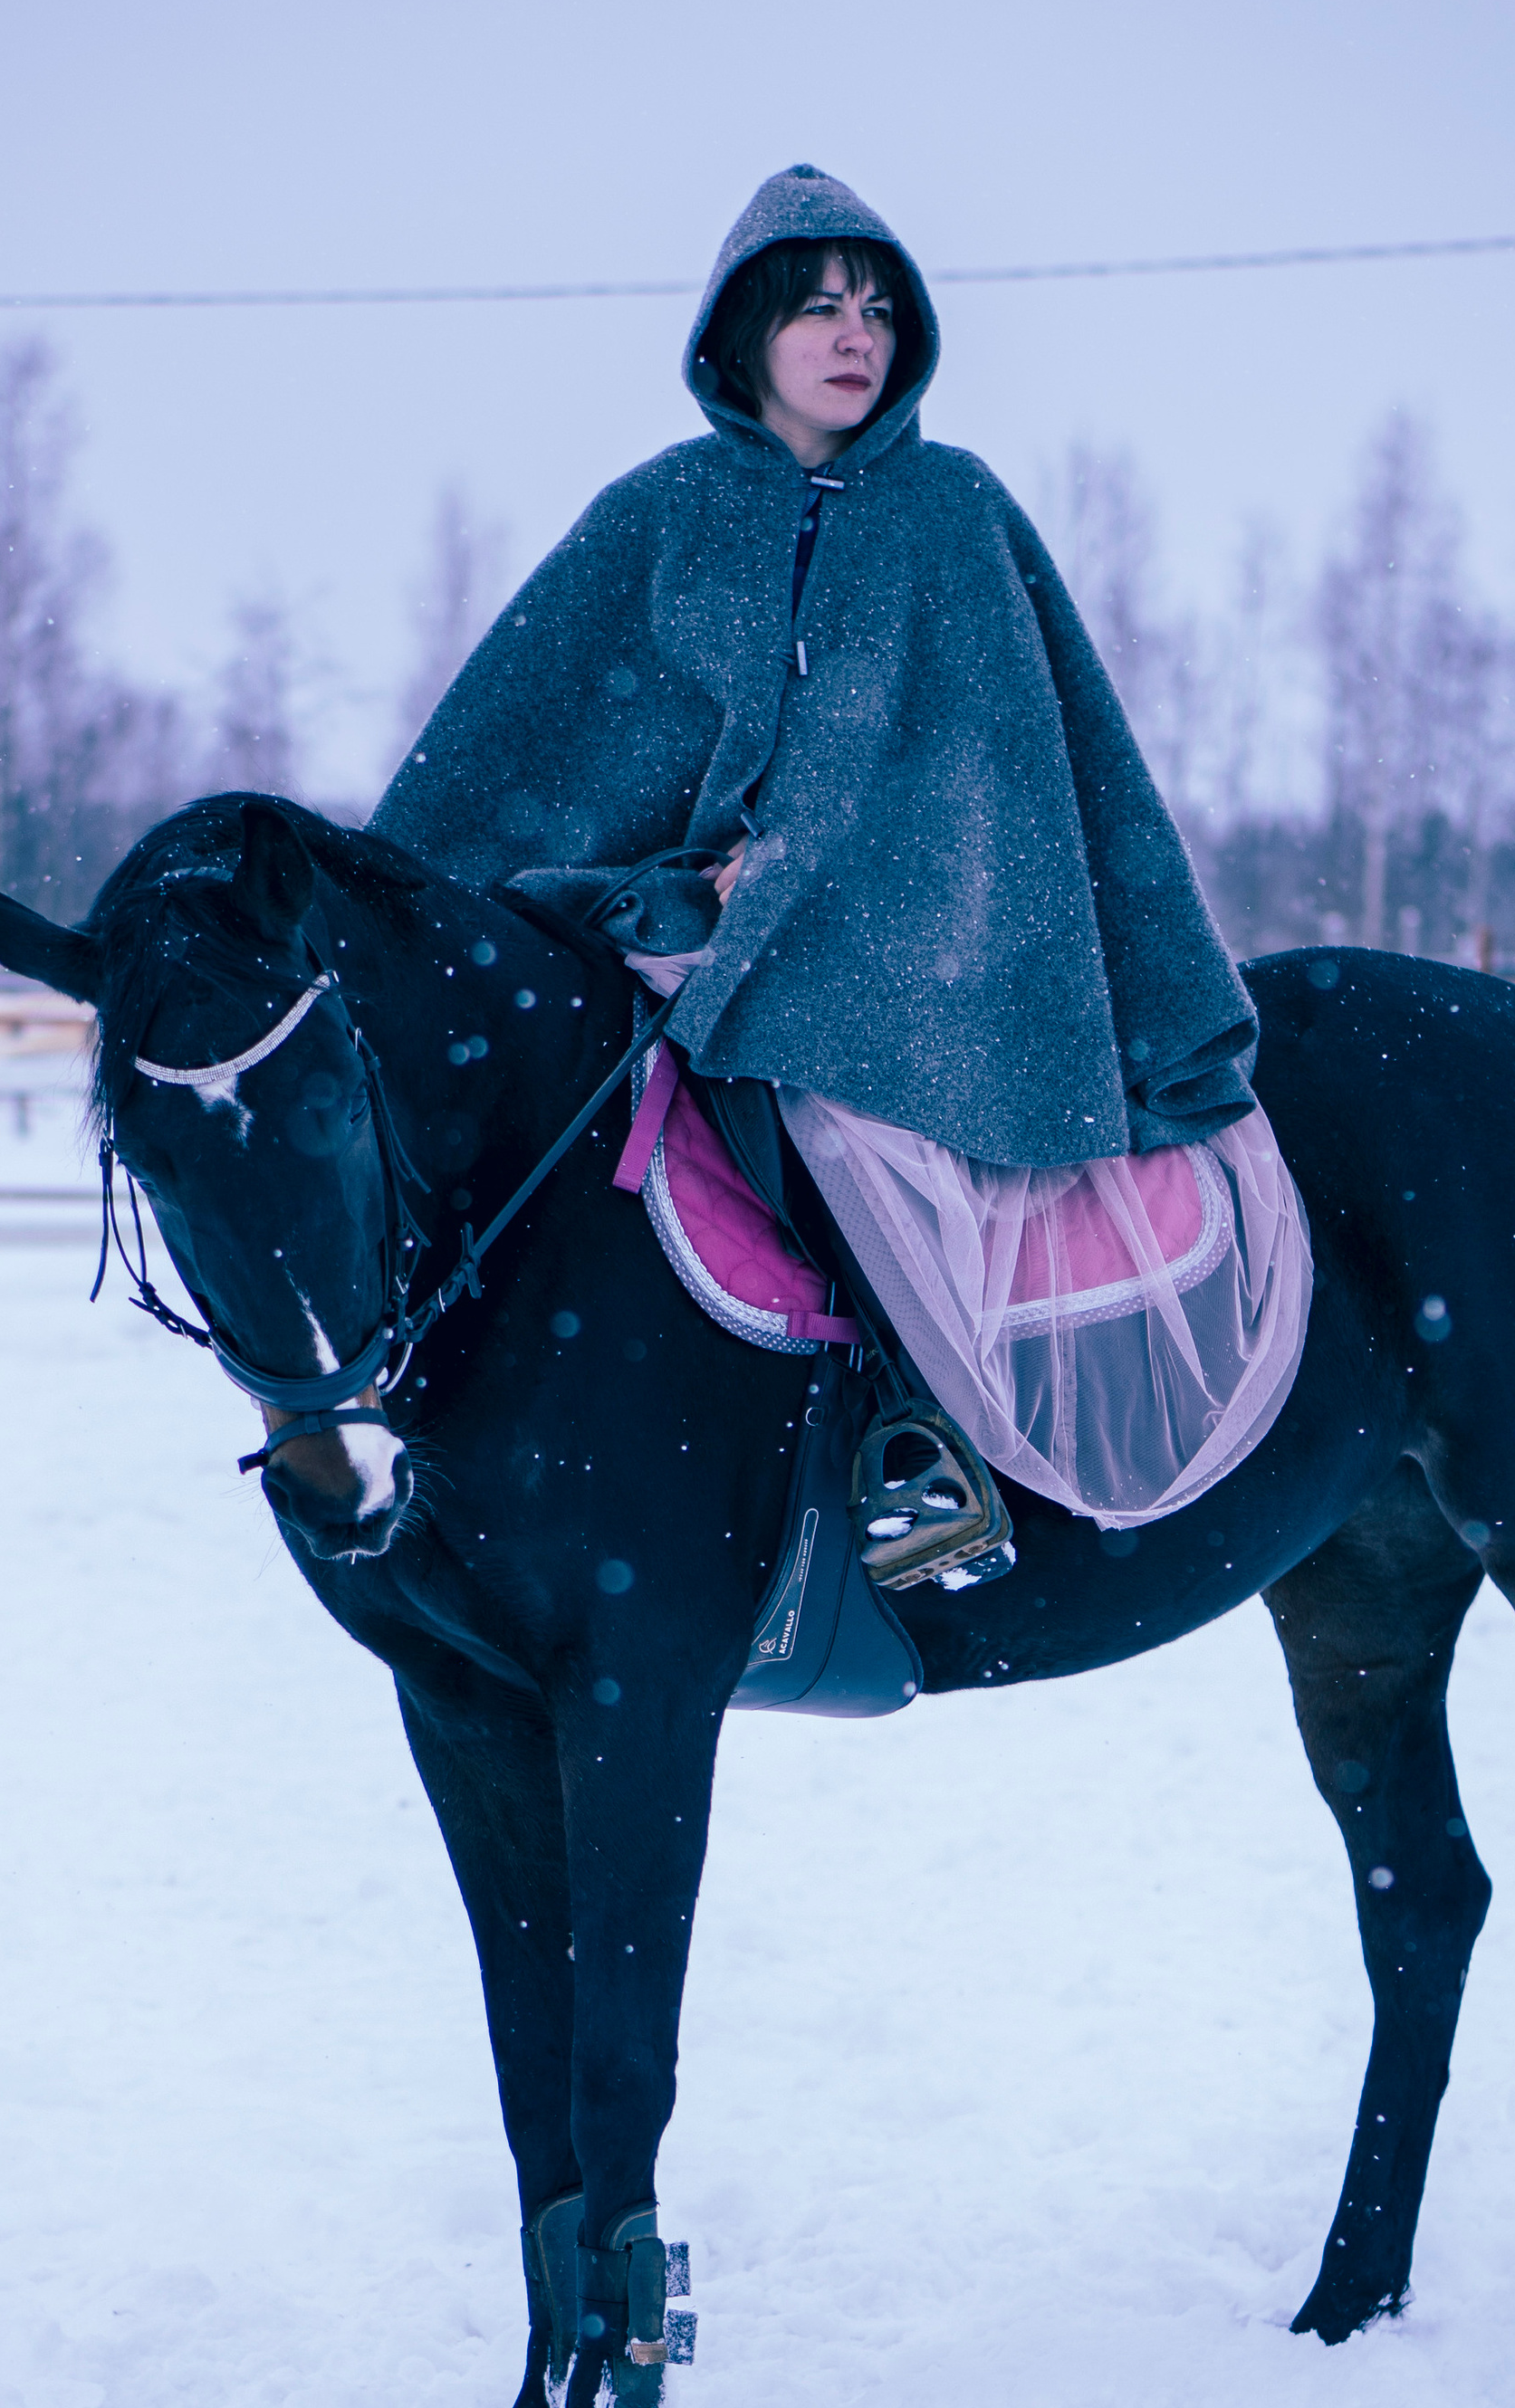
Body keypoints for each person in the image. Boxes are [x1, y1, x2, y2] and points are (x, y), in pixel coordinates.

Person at [374, 165, 1310, 1566]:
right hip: (693, 952)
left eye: (876, 309)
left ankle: (908, 1450)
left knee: (845, 1133)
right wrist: (658, 894)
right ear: (748, 335)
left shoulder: (953, 515)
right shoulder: (660, 519)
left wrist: (825, 870)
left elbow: (1032, 773)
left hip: (932, 954)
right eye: (819, 309)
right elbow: (525, 756)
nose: (854, 335)